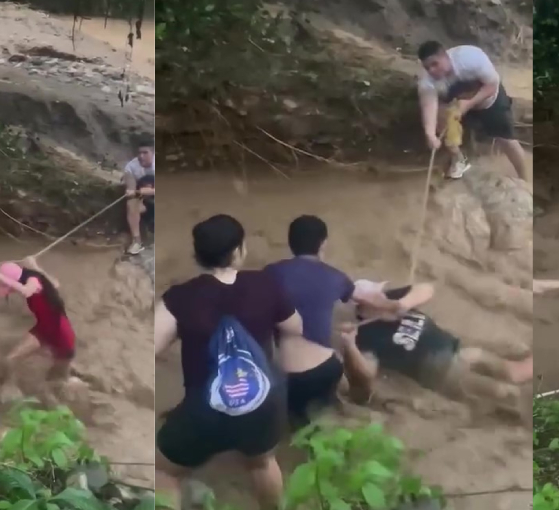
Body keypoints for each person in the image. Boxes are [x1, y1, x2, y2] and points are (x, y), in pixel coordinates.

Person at [154, 214, 303, 510]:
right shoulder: (265, 284)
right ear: (238, 251)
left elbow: (151, 347)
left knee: (164, 470)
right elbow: (295, 328)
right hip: (260, 400)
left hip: (205, 410)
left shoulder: (179, 298)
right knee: (262, 461)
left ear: (197, 255)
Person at [264, 215, 403, 426]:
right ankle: (360, 403)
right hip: (324, 369)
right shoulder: (334, 276)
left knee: (294, 418)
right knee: (332, 404)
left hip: (282, 375)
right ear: (323, 244)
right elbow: (366, 298)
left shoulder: (270, 273)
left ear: (290, 243)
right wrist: (395, 306)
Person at [343, 280, 530, 411]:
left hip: (458, 350)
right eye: (377, 295)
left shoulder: (393, 300)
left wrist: (402, 304)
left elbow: (426, 289)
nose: (383, 294)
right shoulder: (364, 336)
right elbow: (367, 373)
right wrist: (350, 346)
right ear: (365, 305)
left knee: (514, 372)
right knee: (507, 394)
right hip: (446, 374)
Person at [417, 40, 528, 182]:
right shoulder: (427, 82)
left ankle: (525, 180)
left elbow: (491, 85)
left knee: (506, 140)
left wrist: (469, 104)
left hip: (489, 100)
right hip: (456, 104)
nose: (432, 70)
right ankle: (458, 159)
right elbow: (429, 106)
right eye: (427, 68)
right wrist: (430, 135)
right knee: (441, 117)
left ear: (445, 56)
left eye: (435, 64)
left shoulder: (470, 59)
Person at [0, 256, 80, 390]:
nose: (10, 291)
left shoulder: (32, 281)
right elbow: (55, 284)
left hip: (61, 334)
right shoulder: (33, 276)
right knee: (10, 359)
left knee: (59, 380)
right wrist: (35, 265)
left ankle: (80, 382)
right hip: (44, 328)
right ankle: (11, 387)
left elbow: (26, 290)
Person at [122, 139, 156, 255]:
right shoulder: (131, 167)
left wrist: (152, 191)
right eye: (139, 153)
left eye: (145, 153)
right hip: (144, 201)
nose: (141, 156)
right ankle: (137, 241)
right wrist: (132, 192)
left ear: (153, 152)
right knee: (131, 203)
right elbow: (131, 187)